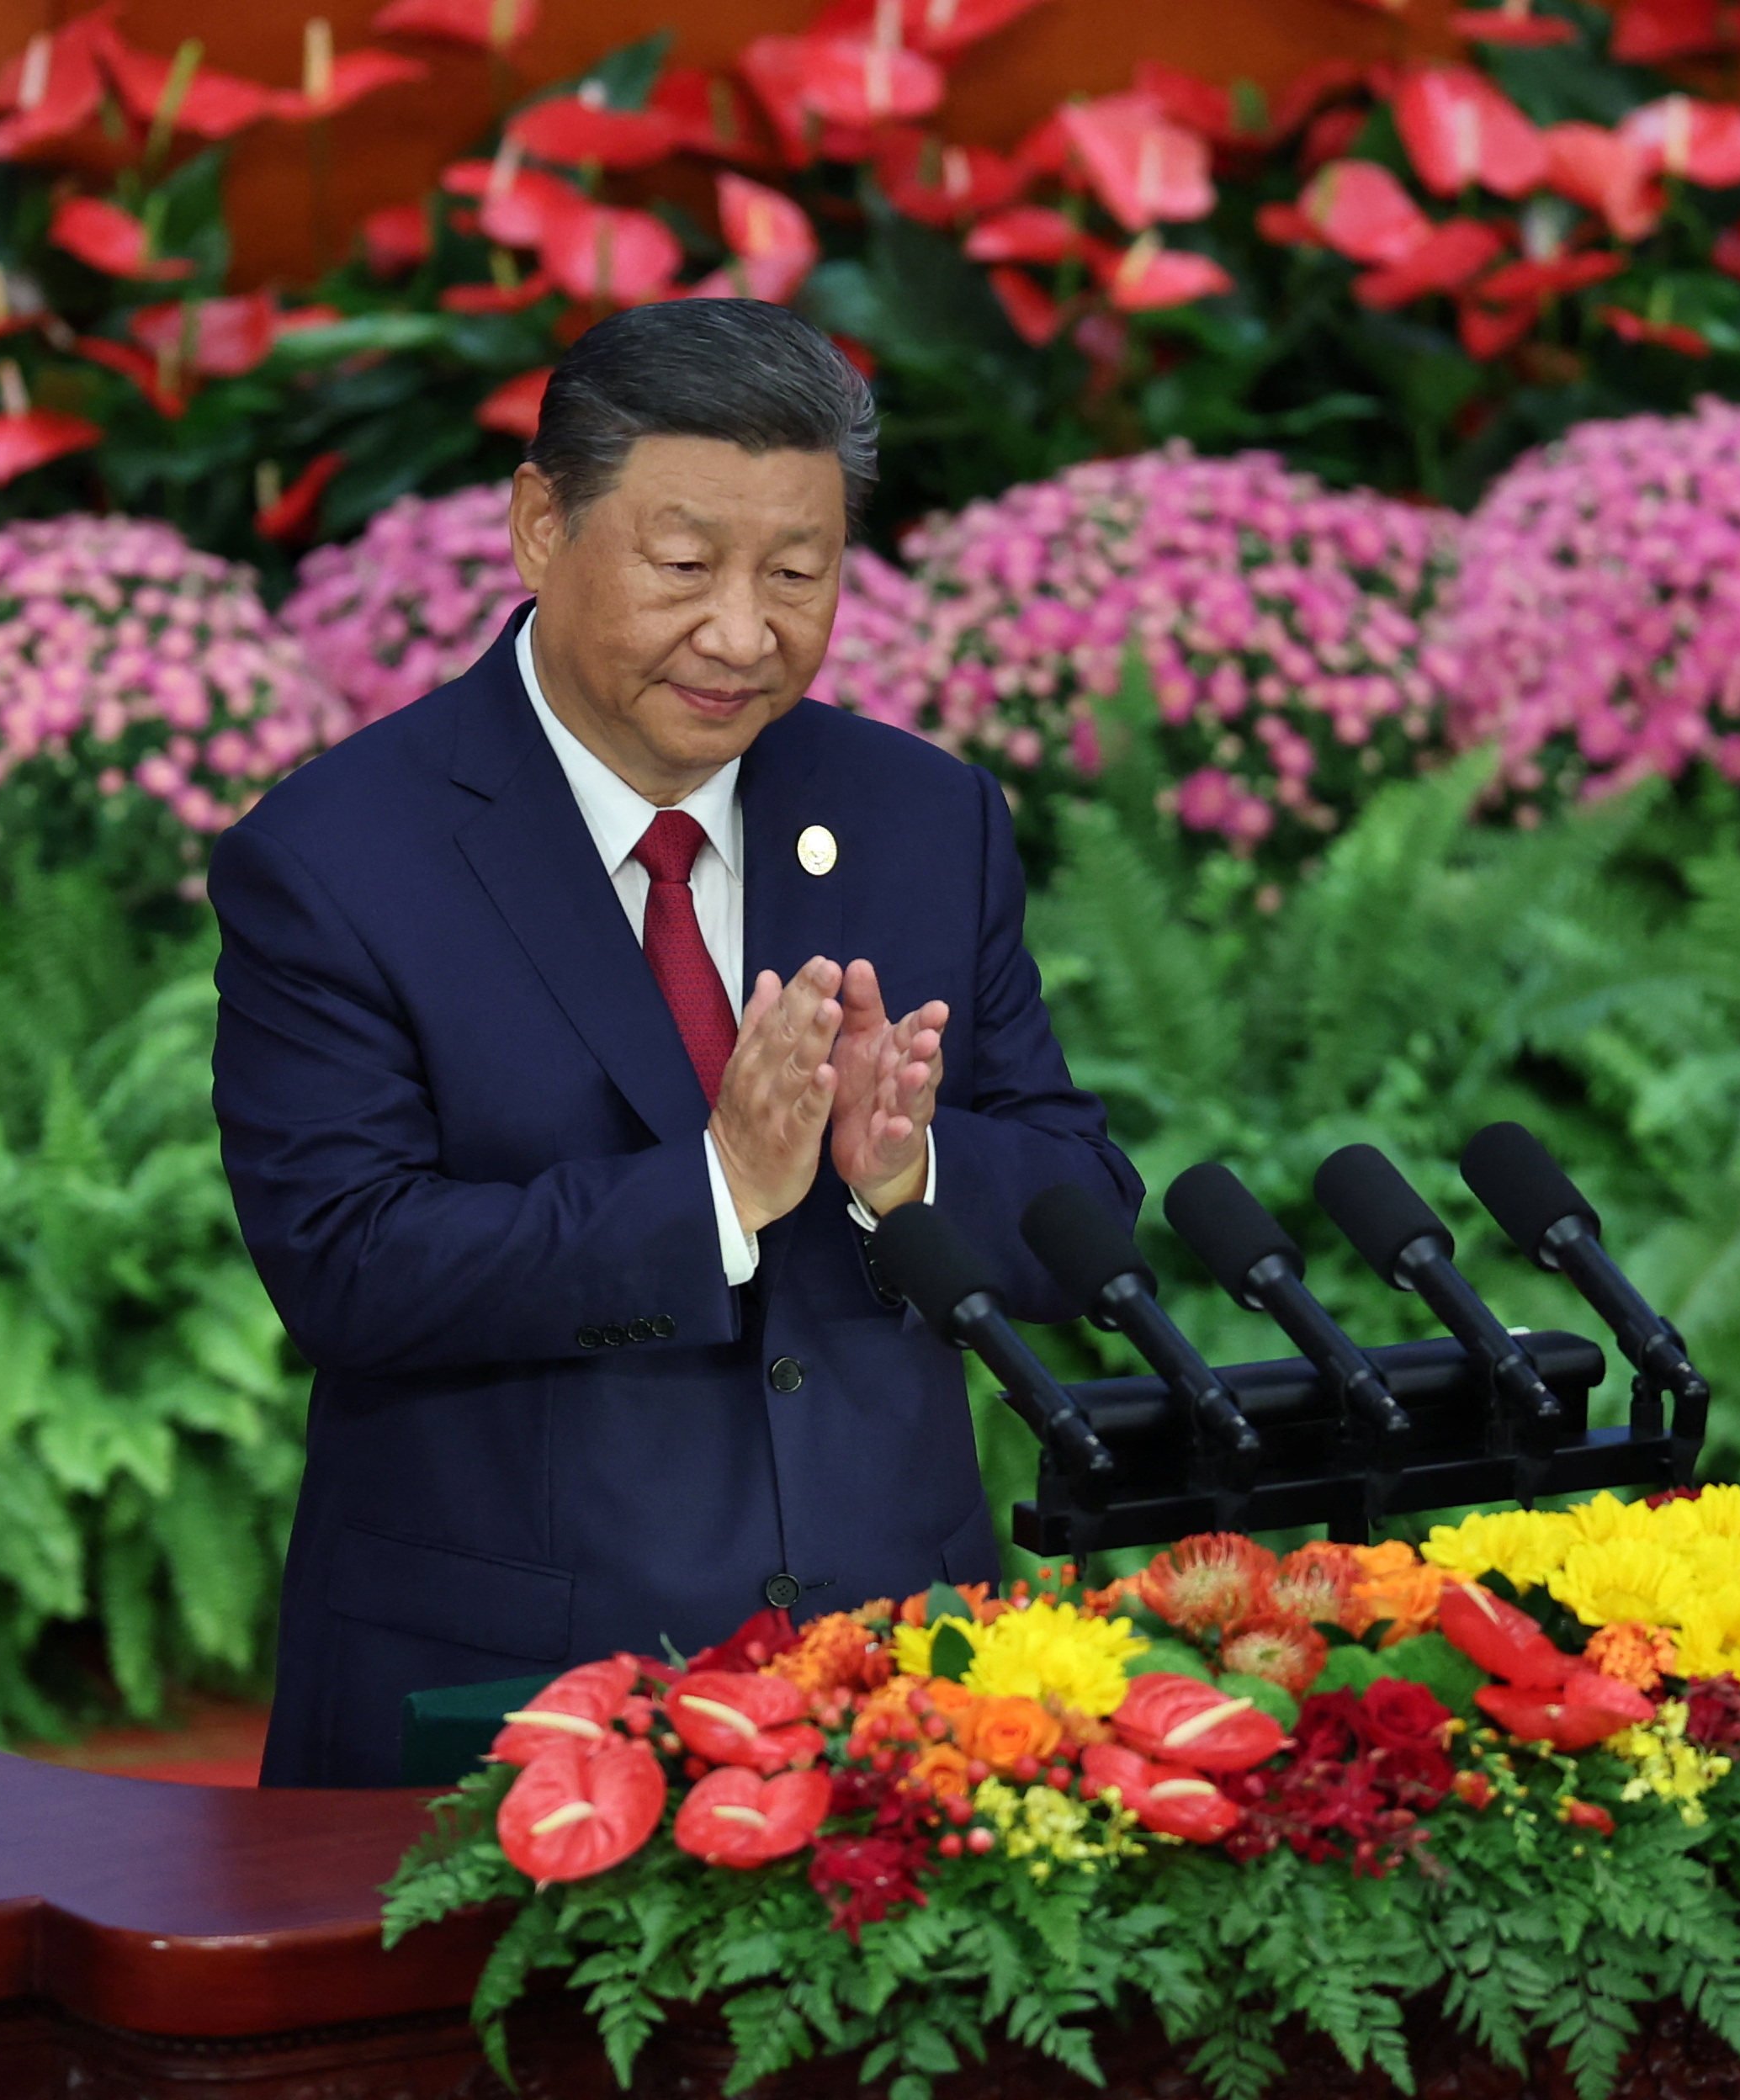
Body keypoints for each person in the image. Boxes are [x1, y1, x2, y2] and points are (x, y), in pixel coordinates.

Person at [210, 300, 1140, 1787]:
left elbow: (1085, 1213)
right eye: (686, 565)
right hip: (512, 1708)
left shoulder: (921, 817)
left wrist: (908, 1177)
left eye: (797, 573)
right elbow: (349, 1265)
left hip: (902, 1689)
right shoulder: (338, 858)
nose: (743, 633)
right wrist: (714, 1193)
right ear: (539, 523)